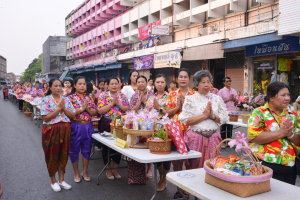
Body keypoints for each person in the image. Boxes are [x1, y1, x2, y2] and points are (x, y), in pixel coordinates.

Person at [248, 82, 300, 185]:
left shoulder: (292, 115)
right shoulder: (259, 113)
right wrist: (281, 133)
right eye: (283, 95)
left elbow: (298, 141)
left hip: (289, 166)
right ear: (271, 97)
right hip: (264, 164)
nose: (287, 98)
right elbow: (253, 137)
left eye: (288, 95)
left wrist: (290, 135)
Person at [178, 70, 228, 167]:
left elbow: (224, 118)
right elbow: (186, 121)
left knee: (213, 165)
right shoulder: (190, 99)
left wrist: (212, 116)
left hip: (213, 137)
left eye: (208, 82)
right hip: (195, 138)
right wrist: (204, 116)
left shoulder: (217, 99)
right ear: (196, 85)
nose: (207, 84)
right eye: (203, 82)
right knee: (194, 166)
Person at [40, 78, 76, 192]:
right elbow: (45, 117)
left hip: (65, 129)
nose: (58, 88)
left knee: (63, 154)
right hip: (51, 130)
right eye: (55, 86)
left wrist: (63, 108)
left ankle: (61, 180)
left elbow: (72, 116)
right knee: (51, 155)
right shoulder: (46, 100)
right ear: (50, 87)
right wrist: (59, 109)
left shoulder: (66, 99)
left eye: (60, 86)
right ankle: (53, 181)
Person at [98, 77, 130, 180]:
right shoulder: (103, 95)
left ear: (120, 85)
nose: (114, 85)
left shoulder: (122, 96)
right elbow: (100, 111)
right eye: (112, 83)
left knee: (118, 145)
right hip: (106, 122)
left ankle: (115, 169)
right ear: (107, 85)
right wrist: (111, 104)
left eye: (116, 83)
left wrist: (118, 104)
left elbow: (127, 109)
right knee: (106, 147)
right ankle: (108, 170)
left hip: (120, 123)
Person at [68, 76, 98, 183]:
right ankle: (76, 172)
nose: (82, 86)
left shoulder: (89, 98)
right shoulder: (70, 98)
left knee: (87, 149)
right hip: (75, 126)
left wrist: (87, 108)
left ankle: (84, 172)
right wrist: (81, 109)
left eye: (84, 84)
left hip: (88, 126)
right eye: (79, 84)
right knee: (74, 150)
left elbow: (95, 113)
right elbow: (69, 114)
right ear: (75, 85)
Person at [148, 74, 170, 191]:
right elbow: (147, 111)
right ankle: (162, 177)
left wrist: (159, 108)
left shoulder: (169, 96)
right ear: (154, 84)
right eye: (158, 82)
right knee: (155, 156)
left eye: (162, 82)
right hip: (153, 130)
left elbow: (171, 112)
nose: (160, 84)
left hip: (165, 129)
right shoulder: (151, 97)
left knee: (165, 156)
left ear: (166, 84)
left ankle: (164, 179)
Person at [129, 75, 155, 179]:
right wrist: (139, 102)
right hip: (137, 124)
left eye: (143, 82)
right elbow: (131, 111)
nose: (141, 84)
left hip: (149, 123)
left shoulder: (152, 95)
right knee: (139, 145)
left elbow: (154, 109)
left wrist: (145, 102)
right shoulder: (134, 96)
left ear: (146, 83)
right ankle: (139, 168)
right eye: (138, 82)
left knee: (149, 144)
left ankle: (149, 167)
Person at [218, 77, 238, 148]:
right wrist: (228, 99)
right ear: (224, 82)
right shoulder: (221, 91)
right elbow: (219, 102)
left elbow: (237, 101)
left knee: (230, 126)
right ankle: (223, 141)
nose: (229, 82)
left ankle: (229, 141)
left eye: (230, 81)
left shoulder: (234, 90)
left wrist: (233, 99)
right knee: (223, 126)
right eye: (227, 81)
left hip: (232, 111)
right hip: (224, 111)